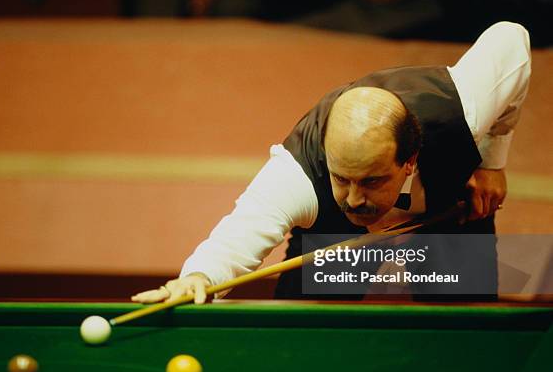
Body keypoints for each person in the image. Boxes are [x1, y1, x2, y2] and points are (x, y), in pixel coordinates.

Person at [132, 21, 531, 304]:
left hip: (450, 213)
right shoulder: (297, 174)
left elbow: (511, 38)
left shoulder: (460, 111)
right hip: (333, 239)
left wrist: (491, 161)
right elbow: (238, 235)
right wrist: (197, 278)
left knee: (467, 335)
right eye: (343, 178)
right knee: (304, 339)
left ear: (409, 162)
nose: (354, 198)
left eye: (372, 180)